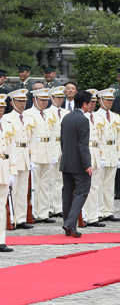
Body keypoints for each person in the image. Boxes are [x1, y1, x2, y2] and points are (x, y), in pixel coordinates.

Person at [60, 90, 94, 238]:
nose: (91, 105)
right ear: (84, 104)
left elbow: (63, 142)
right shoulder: (83, 120)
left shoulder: (66, 118)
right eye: (90, 103)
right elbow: (83, 145)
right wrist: (87, 164)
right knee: (82, 192)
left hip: (67, 161)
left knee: (67, 194)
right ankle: (70, 222)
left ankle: (68, 226)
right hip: (79, 163)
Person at [3, 89, 36, 229]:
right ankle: (11, 218)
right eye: (19, 101)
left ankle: (21, 218)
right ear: (12, 103)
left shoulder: (29, 118)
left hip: (24, 155)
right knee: (13, 189)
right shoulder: (6, 118)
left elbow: (32, 140)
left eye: (24, 101)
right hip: (13, 155)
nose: (22, 104)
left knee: (23, 189)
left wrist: (32, 157)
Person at [24, 88, 56, 224]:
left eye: (46, 100)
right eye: (42, 100)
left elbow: (53, 135)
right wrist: (30, 155)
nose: (44, 102)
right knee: (34, 185)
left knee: (46, 184)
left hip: (48, 152)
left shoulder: (49, 114)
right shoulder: (27, 114)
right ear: (34, 100)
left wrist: (53, 153)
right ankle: (33, 213)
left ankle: (43, 213)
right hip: (35, 153)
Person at [95, 88, 120, 222]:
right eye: (107, 100)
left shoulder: (116, 116)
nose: (110, 102)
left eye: (112, 100)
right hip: (101, 152)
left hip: (112, 152)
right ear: (100, 101)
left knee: (109, 184)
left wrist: (119, 155)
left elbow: (119, 137)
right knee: (99, 183)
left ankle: (108, 211)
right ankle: (99, 211)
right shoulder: (95, 116)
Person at [83, 89, 105, 227]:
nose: (93, 105)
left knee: (95, 187)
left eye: (94, 102)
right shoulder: (81, 117)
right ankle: (84, 215)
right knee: (84, 187)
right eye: (90, 102)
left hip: (96, 153)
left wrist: (102, 156)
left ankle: (93, 216)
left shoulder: (98, 117)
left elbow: (102, 138)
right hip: (86, 152)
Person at [48, 86, 69, 218]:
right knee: (50, 179)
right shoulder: (47, 113)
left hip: (63, 147)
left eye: (62, 97)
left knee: (60, 180)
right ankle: (49, 207)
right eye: (58, 97)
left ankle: (57, 207)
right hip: (51, 147)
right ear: (51, 98)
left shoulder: (66, 112)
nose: (60, 99)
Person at [0, 93, 15, 251]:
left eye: (3, 107)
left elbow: (12, 149)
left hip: (3, 169)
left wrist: (12, 171)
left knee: (1, 207)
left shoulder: (8, 125)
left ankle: (0, 240)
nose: (1, 110)